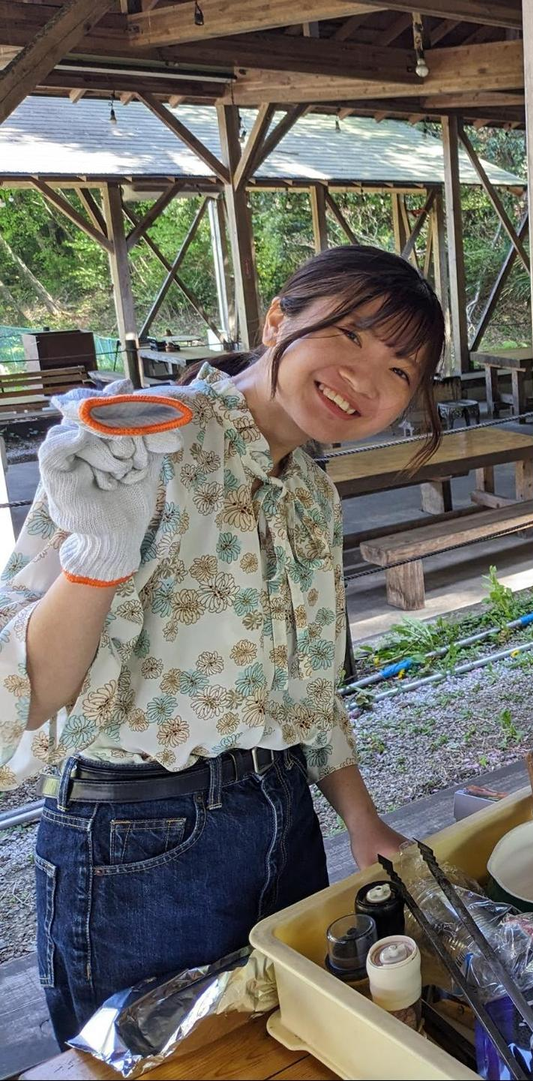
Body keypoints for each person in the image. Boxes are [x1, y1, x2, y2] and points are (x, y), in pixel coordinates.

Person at [0, 245, 446, 1044]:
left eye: (399, 370)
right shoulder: (145, 438)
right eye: (348, 335)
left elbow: (311, 693)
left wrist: (362, 819)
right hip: (137, 841)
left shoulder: (312, 493)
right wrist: (97, 556)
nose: (364, 379)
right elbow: (28, 694)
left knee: (286, 1045)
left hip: (281, 813)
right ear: (277, 319)